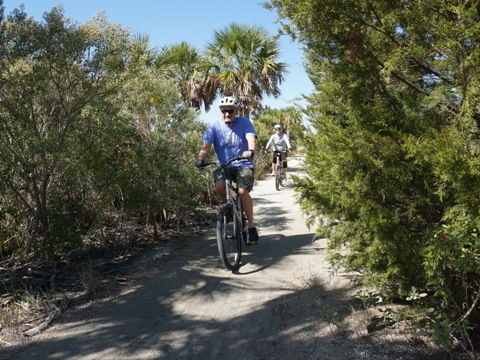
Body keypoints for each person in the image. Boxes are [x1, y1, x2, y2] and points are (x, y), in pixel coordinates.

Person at [195, 96, 259, 244]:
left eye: (230, 111)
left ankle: (251, 227)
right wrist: (200, 159)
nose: (227, 114)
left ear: (235, 110)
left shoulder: (244, 122)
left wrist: (250, 150)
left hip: (244, 164)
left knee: (242, 192)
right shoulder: (214, 126)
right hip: (224, 165)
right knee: (219, 185)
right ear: (220, 111)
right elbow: (206, 146)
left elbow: (251, 138)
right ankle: (229, 206)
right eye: (224, 111)